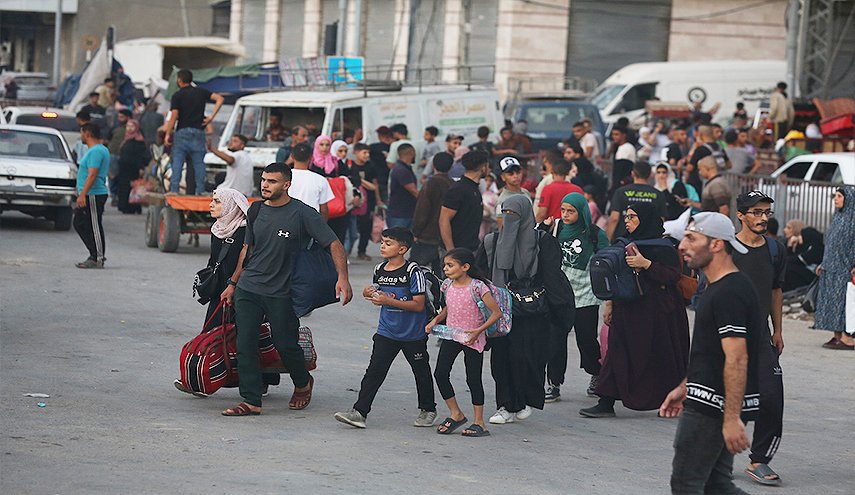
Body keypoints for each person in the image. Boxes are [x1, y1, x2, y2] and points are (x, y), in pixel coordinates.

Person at [219, 163, 352, 416]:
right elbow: (247, 250)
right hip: (249, 288)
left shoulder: (303, 213)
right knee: (245, 343)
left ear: (286, 185)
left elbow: (333, 243)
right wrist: (233, 283)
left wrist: (342, 278)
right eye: (264, 180)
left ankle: (303, 382)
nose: (265, 185)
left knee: (285, 344)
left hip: (282, 292)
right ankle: (251, 400)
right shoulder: (256, 210)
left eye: (272, 181)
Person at [662, 212, 763, 495]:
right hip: (708, 398)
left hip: (711, 407)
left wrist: (731, 418)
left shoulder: (729, 291)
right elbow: (711, 352)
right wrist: (686, 386)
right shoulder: (718, 287)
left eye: (692, 238)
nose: (682, 245)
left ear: (717, 244)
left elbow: (737, 357)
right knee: (716, 485)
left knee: (686, 485)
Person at [580, 202, 689, 418]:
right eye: (626, 217)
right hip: (628, 309)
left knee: (661, 356)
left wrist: (646, 264)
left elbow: (673, 276)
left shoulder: (664, 246)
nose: (627, 221)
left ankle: (668, 401)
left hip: (659, 312)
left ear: (645, 219)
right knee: (617, 352)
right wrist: (609, 303)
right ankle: (606, 400)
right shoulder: (625, 243)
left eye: (632, 217)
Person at [475, 195, 575, 425]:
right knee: (501, 359)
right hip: (500, 310)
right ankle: (505, 405)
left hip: (532, 312)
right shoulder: (492, 242)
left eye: (515, 215)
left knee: (526, 358)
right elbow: (480, 274)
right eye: (506, 214)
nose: (509, 220)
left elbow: (552, 276)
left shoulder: (542, 242)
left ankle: (523, 399)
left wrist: (559, 311)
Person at [334, 228, 437, 428]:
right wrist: (369, 293)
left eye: (388, 243)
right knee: (374, 371)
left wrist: (388, 302)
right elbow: (378, 294)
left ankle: (428, 409)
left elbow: (418, 305)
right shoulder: (379, 269)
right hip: (386, 331)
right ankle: (360, 412)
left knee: (421, 372)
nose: (382, 246)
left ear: (402, 249)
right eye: (382, 242)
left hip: (413, 334)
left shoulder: (412, 272)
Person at [732, 191, 787, 486]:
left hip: (761, 335)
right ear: (741, 215)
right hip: (727, 335)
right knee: (727, 397)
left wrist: (777, 330)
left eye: (766, 212)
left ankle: (759, 460)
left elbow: (776, 290)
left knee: (771, 397)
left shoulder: (775, 250)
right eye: (756, 212)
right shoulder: (725, 249)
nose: (763, 218)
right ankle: (718, 453)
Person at [541, 193, 609, 401]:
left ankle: (596, 375)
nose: (566, 214)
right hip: (559, 294)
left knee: (586, 339)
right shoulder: (556, 227)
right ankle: (554, 383)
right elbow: (535, 242)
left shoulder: (595, 234)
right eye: (563, 210)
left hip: (585, 295)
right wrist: (544, 227)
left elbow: (606, 262)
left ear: (582, 211)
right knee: (555, 340)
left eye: (571, 211)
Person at [428, 248, 502, 437]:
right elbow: (447, 307)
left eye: (450, 265)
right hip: (453, 336)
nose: (445, 269)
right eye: (445, 265)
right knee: (440, 374)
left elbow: (496, 313)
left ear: (465, 267)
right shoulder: (447, 285)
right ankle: (456, 414)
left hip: (473, 339)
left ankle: (480, 422)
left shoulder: (478, 287)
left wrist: (478, 331)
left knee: (473, 379)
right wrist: (436, 320)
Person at [161, 69, 225, 195]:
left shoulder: (177, 95)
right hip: (198, 131)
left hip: (182, 132)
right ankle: (200, 190)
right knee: (198, 163)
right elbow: (220, 99)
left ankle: (174, 190)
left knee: (178, 161)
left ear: (179, 80)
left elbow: (174, 116)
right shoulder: (201, 92)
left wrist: (168, 133)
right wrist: (211, 117)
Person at [813, 187, 855, 350]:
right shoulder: (837, 218)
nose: (835, 199)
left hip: (846, 268)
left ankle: (846, 337)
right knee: (833, 301)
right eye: (835, 196)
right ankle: (837, 335)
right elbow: (830, 244)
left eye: (839, 196)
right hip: (831, 267)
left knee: (844, 302)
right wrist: (823, 263)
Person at [73, 123, 111, 269]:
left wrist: (83, 194)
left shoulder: (96, 151)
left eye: (82, 133)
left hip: (94, 194)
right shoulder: (96, 150)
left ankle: (97, 257)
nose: (81, 136)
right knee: (80, 222)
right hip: (89, 194)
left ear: (87, 133)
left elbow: (92, 174)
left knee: (94, 225)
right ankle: (94, 253)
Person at [411, 152, 454, 273]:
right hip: (446, 237)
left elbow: (422, 211)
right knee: (440, 272)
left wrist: (416, 231)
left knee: (414, 271)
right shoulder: (452, 184)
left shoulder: (430, 184)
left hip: (427, 236)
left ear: (433, 165)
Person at [440, 151, 488, 252]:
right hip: (457, 251)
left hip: (471, 248)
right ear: (483, 167)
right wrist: (451, 250)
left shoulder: (474, 189)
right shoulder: (458, 190)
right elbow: (444, 220)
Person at [607, 161, 666, 240]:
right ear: (650, 175)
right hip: (649, 241)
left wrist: (607, 241)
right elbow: (661, 221)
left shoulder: (621, 192)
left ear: (633, 174)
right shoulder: (658, 194)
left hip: (623, 241)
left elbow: (614, 218)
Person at [346, 143, 381, 261]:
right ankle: (346, 251)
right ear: (356, 152)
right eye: (364, 152)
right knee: (351, 228)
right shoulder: (350, 166)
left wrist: (378, 200)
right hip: (353, 200)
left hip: (368, 201)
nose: (367, 155)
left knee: (366, 227)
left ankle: (362, 251)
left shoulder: (371, 166)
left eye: (368, 153)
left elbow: (375, 184)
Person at [287, 142, 335, 219]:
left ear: (292, 156)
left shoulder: (283, 177)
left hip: (286, 223)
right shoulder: (320, 180)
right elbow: (324, 210)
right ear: (311, 157)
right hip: (311, 224)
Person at [536, 155, 583, 223]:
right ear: (567, 172)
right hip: (572, 228)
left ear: (552, 171)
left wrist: (535, 228)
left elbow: (541, 214)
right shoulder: (578, 190)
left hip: (552, 228)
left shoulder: (548, 189)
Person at [116, 119, 149, 214]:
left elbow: (142, 156)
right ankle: (124, 206)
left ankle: (133, 206)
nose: (130, 129)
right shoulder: (126, 139)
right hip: (124, 168)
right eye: (128, 126)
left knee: (133, 187)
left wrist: (141, 167)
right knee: (124, 187)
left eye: (132, 126)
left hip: (134, 168)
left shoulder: (139, 141)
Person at [782, 219, 824, 292]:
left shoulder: (816, 248)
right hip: (802, 272)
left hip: (811, 276)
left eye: (789, 228)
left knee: (788, 269)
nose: (785, 230)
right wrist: (789, 246)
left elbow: (801, 259)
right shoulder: (791, 243)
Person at [387, 143, 419, 229]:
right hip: (401, 214)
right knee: (398, 240)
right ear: (411, 153)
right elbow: (414, 191)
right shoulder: (402, 170)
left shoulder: (402, 168)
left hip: (404, 212)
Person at [494, 156, 530, 230]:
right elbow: (501, 228)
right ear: (503, 177)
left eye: (518, 172)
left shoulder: (525, 192)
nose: (515, 176)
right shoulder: (502, 200)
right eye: (511, 174)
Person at [369, 126, 394, 202]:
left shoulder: (373, 147)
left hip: (378, 178)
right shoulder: (393, 147)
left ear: (379, 135)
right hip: (390, 178)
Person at [480, 173, 499, 239]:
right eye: (486, 180)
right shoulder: (479, 193)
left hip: (490, 219)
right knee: (481, 235)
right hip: (481, 218)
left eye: (490, 181)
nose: (488, 182)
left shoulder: (494, 195)